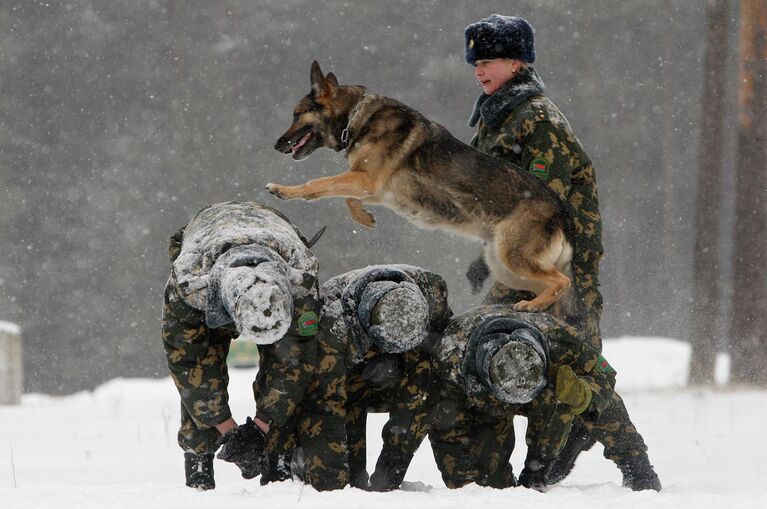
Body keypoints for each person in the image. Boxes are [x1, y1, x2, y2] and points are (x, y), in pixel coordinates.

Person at [462, 14, 660, 490]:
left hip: (559, 264)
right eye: (475, 62)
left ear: (516, 62)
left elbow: (540, 203)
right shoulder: (498, 116)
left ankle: (636, 468)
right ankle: (543, 457)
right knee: (493, 348)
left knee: (583, 365)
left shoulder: (536, 119)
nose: (479, 70)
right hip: (523, 261)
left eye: (488, 61)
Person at [162, 201, 324, 490]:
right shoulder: (189, 285)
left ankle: (279, 457)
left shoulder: (301, 279)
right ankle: (199, 459)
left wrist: (262, 426)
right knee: (202, 373)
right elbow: (189, 365)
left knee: (288, 365)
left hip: (275, 232)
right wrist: (227, 429)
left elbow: (294, 363)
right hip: (207, 237)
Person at [270, 264, 452, 491]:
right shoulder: (332, 320)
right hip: (346, 383)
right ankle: (303, 467)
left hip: (399, 377)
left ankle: (389, 476)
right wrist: (332, 483)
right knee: (343, 482)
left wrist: (398, 360)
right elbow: (326, 404)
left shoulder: (432, 293)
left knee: (430, 377)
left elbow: (447, 352)